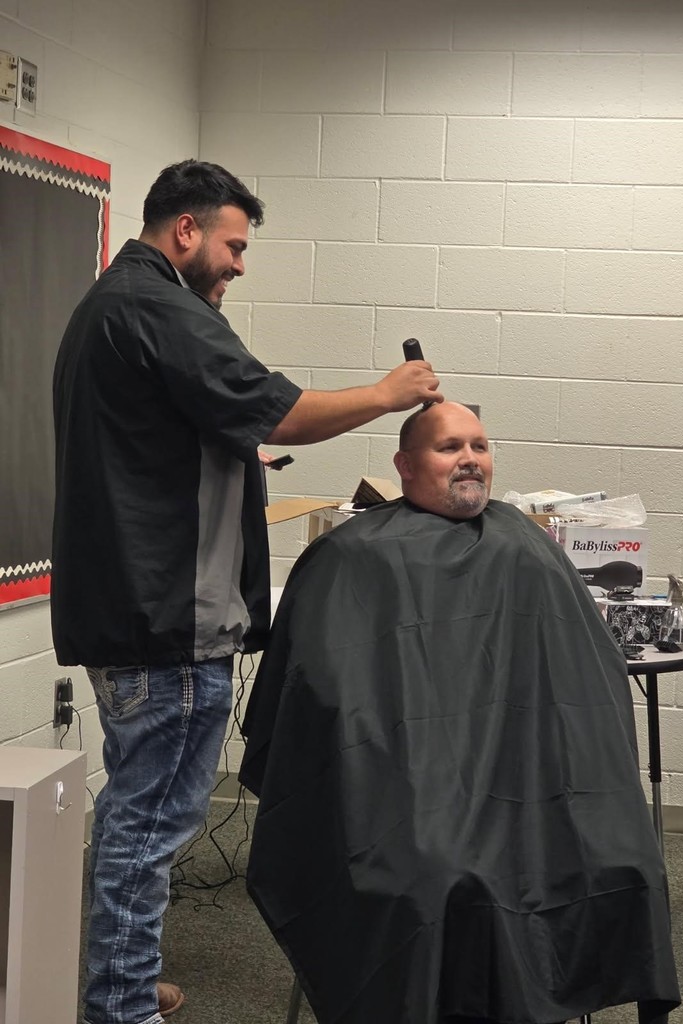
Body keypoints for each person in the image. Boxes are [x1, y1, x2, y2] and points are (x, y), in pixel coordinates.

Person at [51, 158, 442, 1024]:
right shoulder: (161, 307)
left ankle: (120, 974)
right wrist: (389, 394)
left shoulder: (112, 307)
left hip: (130, 613)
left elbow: (169, 435)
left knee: (138, 813)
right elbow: (280, 410)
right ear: (184, 230)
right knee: (148, 825)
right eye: (231, 245)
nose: (237, 264)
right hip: (164, 623)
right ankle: (118, 1005)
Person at [238, 402, 681, 1024]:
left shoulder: (528, 546)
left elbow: (588, 687)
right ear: (405, 464)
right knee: (433, 874)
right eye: (449, 447)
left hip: (537, 790)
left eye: (479, 445)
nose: (470, 458)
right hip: (406, 799)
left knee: (623, 861)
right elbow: (318, 707)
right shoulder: (354, 556)